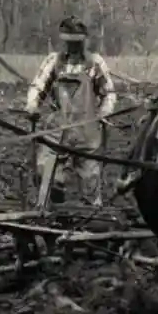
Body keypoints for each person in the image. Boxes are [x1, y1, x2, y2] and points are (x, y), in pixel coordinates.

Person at [26, 16, 117, 206]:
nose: (72, 47)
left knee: (91, 181)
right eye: (69, 42)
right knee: (47, 175)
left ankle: (91, 217)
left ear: (84, 41)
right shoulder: (53, 61)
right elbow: (38, 86)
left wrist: (104, 112)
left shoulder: (95, 63)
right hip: (56, 130)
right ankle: (52, 208)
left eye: (76, 43)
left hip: (87, 132)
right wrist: (32, 104)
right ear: (63, 41)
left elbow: (109, 93)